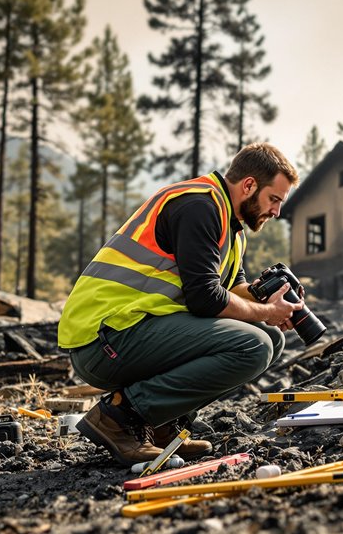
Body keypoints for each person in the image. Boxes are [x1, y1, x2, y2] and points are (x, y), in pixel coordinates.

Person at [57, 143, 303, 466]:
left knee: (272, 338)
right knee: (253, 345)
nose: (277, 212)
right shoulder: (199, 207)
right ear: (249, 186)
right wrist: (268, 313)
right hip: (104, 338)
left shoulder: (231, 227)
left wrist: (263, 296)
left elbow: (231, 289)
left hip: (133, 330)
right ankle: (119, 416)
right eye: (274, 200)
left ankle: (159, 423)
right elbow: (206, 299)